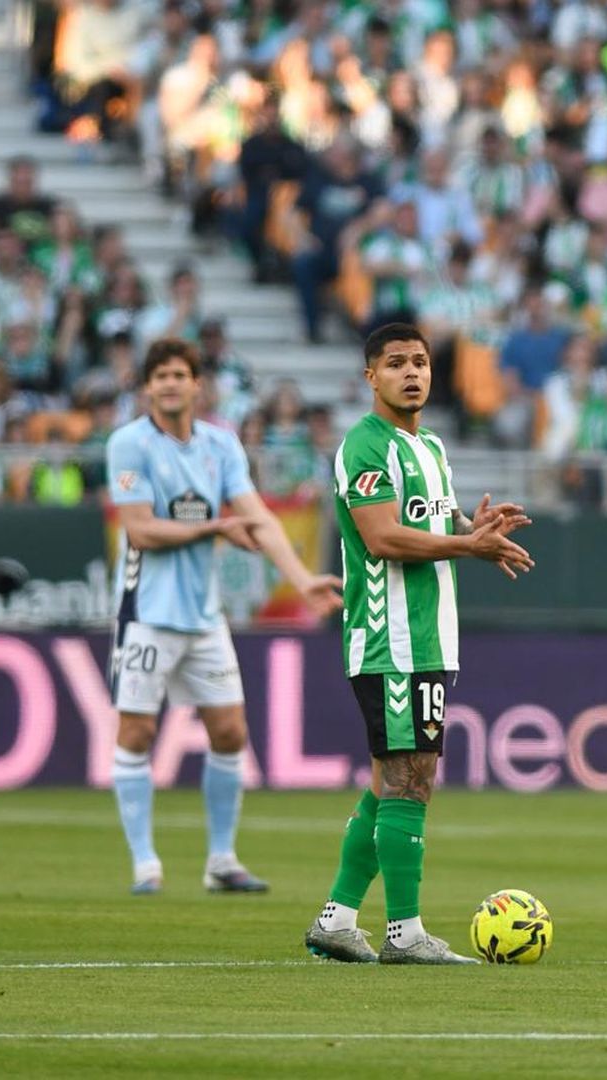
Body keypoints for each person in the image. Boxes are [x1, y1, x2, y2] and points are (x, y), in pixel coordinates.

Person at [303, 323, 534, 966]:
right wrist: (468, 546)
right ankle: (405, 932)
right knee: (411, 776)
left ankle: (337, 918)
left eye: (422, 362)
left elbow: (434, 522)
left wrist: (472, 526)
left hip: (429, 638)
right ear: (370, 377)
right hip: (389, 638)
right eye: (397, 362)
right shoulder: (364, 446)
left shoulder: (430, 445)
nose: (413, 372)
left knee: (393, 779)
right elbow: (382, 537)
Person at [104, 339, 342, 895]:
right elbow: (139, 529)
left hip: (202, 615)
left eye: (179, 374)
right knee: (137, 732)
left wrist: (303, 579)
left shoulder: (221, 445)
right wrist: (213, 528)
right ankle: (145, 863)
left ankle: (221, 861)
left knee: (231, 731)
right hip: (146, 613)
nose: (169, 384)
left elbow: (257, 518)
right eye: (159, 375)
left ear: (197, 385)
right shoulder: (128, 445)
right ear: (146, 388)